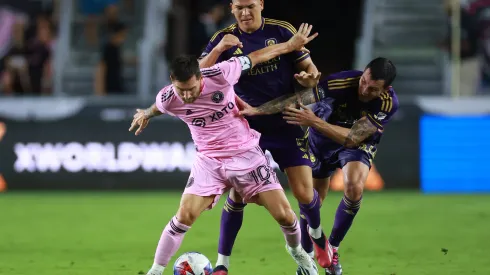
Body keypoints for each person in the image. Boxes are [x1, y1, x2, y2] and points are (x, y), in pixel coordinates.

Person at [129, 24, 320, 275]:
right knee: (184, 215)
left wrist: (290, 46)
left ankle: (298, 253)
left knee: (285, 215)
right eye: (181, 90)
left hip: (246, 155)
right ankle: (155, 271)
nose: (187, 95)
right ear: (172, 84)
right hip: (208, 161)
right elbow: (157, 107)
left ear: (201, 77)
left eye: (191, 89)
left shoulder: (220, 74)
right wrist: (145, 114)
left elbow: (256, 56)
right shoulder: (169, 98)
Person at [198, 1, 332, 272]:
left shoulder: (281, 31)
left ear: (261, 4)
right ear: (231, 8)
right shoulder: (223, 39)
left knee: (305, 195)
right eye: (238, 7)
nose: (245, 12)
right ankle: (222, 264)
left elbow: (312, 72)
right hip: (246, 130)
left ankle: (316, 238)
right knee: (236, 196)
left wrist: (309, 78)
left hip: (286, 121)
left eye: (250, 6)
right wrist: (221, 48)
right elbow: (196, 73)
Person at [239, 57, 399, 275]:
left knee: (354, 188)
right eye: (363, 81)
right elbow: (297, 99)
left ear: (386, 89)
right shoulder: (339, 83)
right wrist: (259, 110)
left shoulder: (387, 103)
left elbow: (353, 138)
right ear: (363, 73)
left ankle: (331, 249)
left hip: (354, 143)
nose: (364, 90)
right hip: (320, 141)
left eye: (372, 89)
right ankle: (307, 261)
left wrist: (313, 121)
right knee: (312, 200)